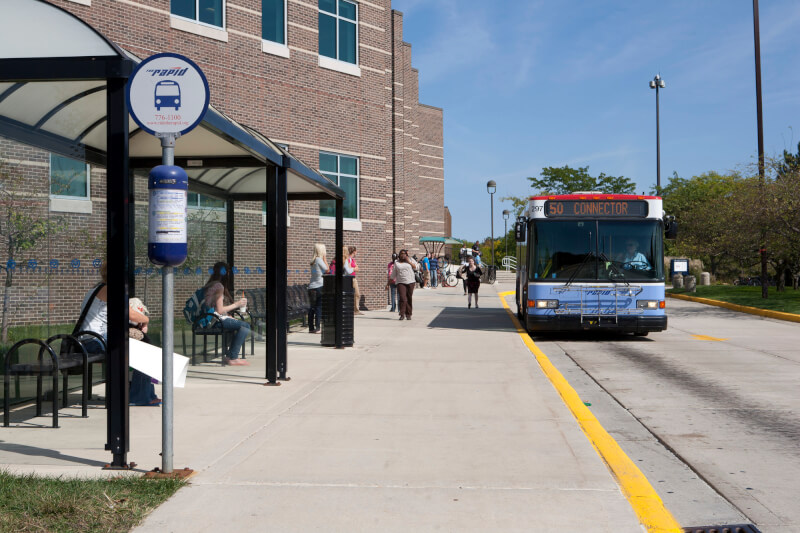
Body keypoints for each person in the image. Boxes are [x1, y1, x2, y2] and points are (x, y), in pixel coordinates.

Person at [78, 261, 160, 406]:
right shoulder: (110, 289)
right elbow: (131, 314)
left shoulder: (96, 289)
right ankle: (139, 397)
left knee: (145, 350)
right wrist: (146, 320)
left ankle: (145, 394)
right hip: (94, 341)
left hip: (90, 339)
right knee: (146, 353)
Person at [203, 262, 251, 366]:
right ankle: (232, 357)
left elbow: (214, 308)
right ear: (225, 273)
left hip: (207, 319)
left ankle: (230, 355)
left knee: (237, 324)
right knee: (245, 326)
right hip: (213, 321)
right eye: (229, 272)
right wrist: (237, 304)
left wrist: (227, 315)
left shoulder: (210, 284)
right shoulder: (218, 286)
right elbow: (219, 310)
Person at [390, 249, 418, 320]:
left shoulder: (411, 260)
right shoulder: (396, 262)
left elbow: (416, 267)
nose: (403, 255)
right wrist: (388, 283)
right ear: (399, 255)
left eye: (404, 253)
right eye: (401, 253)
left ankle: (408, 314)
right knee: (402, 298)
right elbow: (394, 273)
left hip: (410, 281)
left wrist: (409, 262)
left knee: (409, 298)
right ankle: (402, 314)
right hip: (400, 282)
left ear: (406, 255)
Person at [308, 243, 329, 333]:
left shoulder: (312, 261)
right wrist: (325, 259)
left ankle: (311, 328)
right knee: (319, 307)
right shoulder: (319, 260)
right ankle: (317, 327)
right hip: (319, 286)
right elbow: (327, 270)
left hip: (311, 287)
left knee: (312, 307)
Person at [348, 246, 363, 315]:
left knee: (357, 294)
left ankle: (356, 310)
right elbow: (348, 269)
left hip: (354, 278)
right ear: (354, 252)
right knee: (349, 294)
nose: (356, 253)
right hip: (349, 278)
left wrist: (353, 268)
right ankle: (351, 309)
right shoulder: (348, 259)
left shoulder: (353, 260)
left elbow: (358, 269)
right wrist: (354, 268)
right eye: (356, 251)